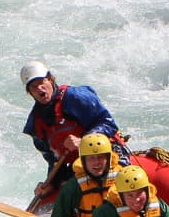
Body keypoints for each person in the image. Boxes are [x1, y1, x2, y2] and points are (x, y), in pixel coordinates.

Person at [19, 60, 126, 197]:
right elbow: (54, 161)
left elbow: (109, 124)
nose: (39, 88)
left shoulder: (75, 97)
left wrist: (84, 141)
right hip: (79, 166)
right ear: (30, 93)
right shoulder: (35, 124)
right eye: (33, 87)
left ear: (51, 80)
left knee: (122, 187)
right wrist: (51, 183)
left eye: (41, 82)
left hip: (109, 154)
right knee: (68, 191)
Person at [40, 133, 121, 217]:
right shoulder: (74, 187)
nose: (96, 162)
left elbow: (150, 212)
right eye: (91, 158)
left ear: (108, 158)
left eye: (101, 157)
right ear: (83, 160)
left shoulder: (124, 179)